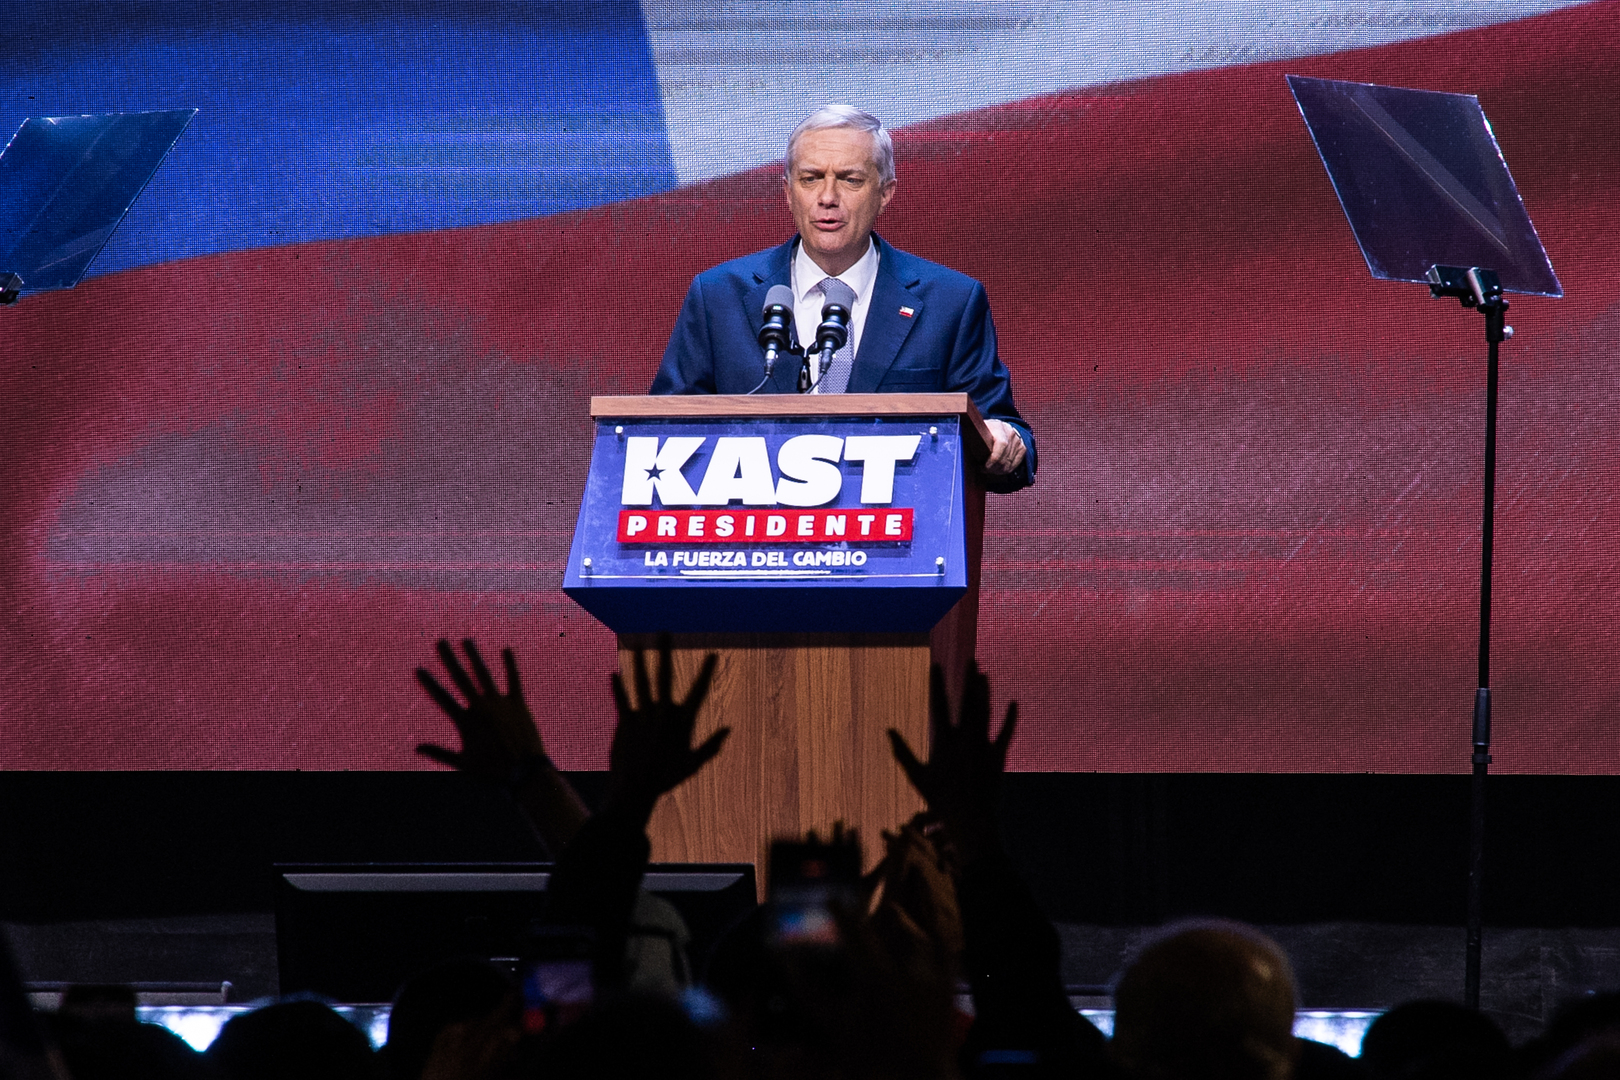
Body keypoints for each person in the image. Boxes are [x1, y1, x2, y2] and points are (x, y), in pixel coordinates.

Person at [650, 103, 1036, 492]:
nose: (828, 197)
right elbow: (657, 434)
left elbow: (1004, 435)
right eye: (811, 179)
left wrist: (1004, 442)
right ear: (788, 192)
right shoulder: (719, 296)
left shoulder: (950, 302)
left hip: (895, 525)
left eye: (850, 180)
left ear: (885, 193)